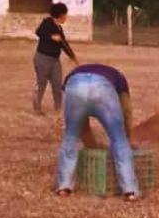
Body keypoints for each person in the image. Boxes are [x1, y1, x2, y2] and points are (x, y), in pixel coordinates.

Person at [55, 63, 139, 201]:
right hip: (103, 90)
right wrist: (127, 138)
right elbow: (126, 112)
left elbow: (81, 125)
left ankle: (64, 187)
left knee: (70, 137)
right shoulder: (119, 78)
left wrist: (90, 145)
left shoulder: (73, 74)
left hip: (75, 85)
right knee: (119, 140)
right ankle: (130, 191)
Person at [33, 2, 77, 114]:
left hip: (54, 60)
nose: (66, 17)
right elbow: (38, 32)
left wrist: (72, 56)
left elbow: (64, 44)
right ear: (60, 14)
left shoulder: (59, 29)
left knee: (57, 84)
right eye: (65, 14)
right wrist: (51, 36)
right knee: (42, 83)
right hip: (42, 58)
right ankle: (37, 107)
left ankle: (58, 108)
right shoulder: (47, 22)